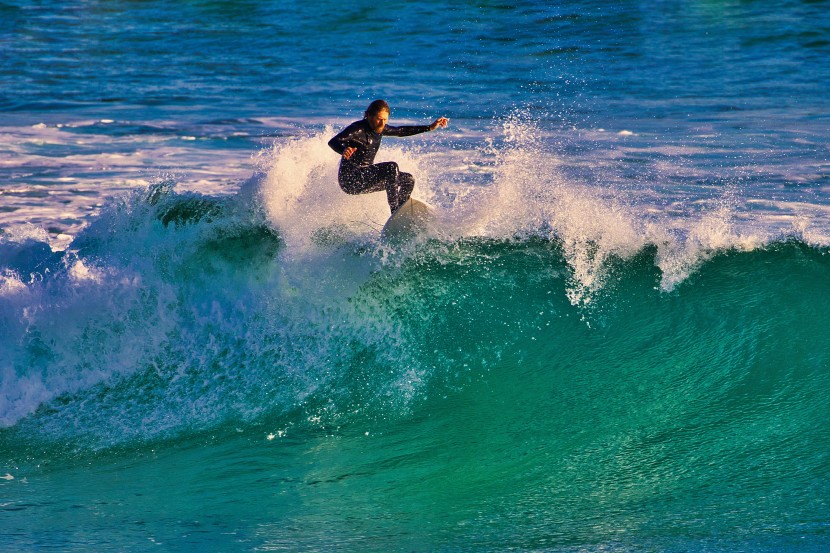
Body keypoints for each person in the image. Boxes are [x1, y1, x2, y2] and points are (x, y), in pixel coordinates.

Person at [328, 99, 448, 213]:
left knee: (408, 180)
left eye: (385, 120)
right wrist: (343, 150)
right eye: (379, 119)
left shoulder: (379, 127)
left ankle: (401, 211)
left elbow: (401, 131)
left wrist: (430, 127)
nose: (383, 123)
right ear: (368, 115)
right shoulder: (357, 129)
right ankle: (394, 210)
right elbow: (333, 141)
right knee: (391, 167)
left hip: (366, 179)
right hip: (350, 180)